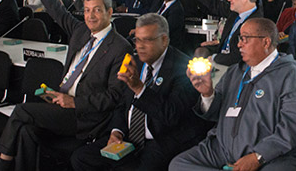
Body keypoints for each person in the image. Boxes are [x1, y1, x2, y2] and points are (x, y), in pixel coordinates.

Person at [0, 0, 132, 171]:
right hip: (60, 104)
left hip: (85, 117)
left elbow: (115, 96)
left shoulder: (120, 47)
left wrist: (74, 102)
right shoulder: (81, 31)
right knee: (26, 131)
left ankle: (2, 167)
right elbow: (56, 10)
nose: (90, 16)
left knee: (21, 111)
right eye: (86, 10)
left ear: (109, 13)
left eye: (96, 10)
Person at [70, 13, 210, 171]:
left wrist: (139, 88)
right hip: (127, 137)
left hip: (160, 139)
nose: (140, 46)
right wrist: (117, 131)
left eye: (147, 40)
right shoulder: (135, 62)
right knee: (81, 158)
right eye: (137, 40)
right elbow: (121, 105)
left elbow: (171, 116)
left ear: (164, 40)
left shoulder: (183, 69)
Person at [170, 18, 296, 170]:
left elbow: (293, 129)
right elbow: (214, 113)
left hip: (270, 156)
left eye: (245, 39)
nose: (239, 44)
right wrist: (207, 94)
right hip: (223, 148)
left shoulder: (291, 76)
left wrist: (258, 156)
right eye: (239, 39)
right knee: (178, 165)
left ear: (266, 42)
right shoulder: (234, 72)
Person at [183, 0, 263, 66]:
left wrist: (213, 58)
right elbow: (214, 4)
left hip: (236, 66)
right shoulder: (235, 13)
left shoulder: (256, 23)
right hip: (222, 52)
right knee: (200, 51)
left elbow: (238, 56)